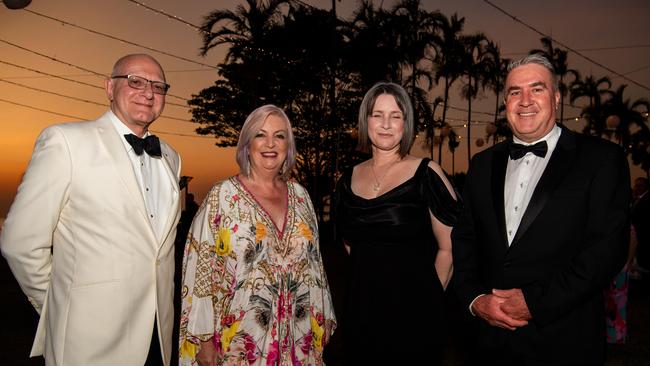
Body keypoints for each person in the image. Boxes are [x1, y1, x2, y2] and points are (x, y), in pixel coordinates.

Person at [0, 54, 181, 365]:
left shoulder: (170, 157)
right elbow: (20, 243)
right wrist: (59, 305)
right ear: (110, 88)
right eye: (134, 81)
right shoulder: (66, 142)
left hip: (157, 338)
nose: (148, 93)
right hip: (87, 341)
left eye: (158, 86)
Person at [451, 53, 630, 365]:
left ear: (557, 98)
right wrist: (475, 299)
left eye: (537, 89)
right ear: (505, 101)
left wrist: (535, 303)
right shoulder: (482, 164)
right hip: (487, 342)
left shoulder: (600, 159)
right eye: (514, 92)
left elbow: (607, 250)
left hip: (565, 340)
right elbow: (465, 240)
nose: (525, 101)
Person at [178, 105, 336, 365]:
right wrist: (204, 339)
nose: (270, 143)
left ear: (288, 145)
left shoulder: (301, 196)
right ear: (247, 144)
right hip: (241, 341)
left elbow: (315, 263)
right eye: (261, 135)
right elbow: (200, 270)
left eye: (280, 136)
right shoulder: (222, 196)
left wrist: (323, 316)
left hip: (299, 337)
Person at [332, 82, 460, 364]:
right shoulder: (347, 179)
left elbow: (450, 249)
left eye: (396, 115)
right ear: (366, 121)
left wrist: (426, 301)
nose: (386, 124)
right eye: (378, 115)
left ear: (407, 123)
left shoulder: (427, 174)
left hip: (414, 319)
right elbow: (352, 247)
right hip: (360, 315)